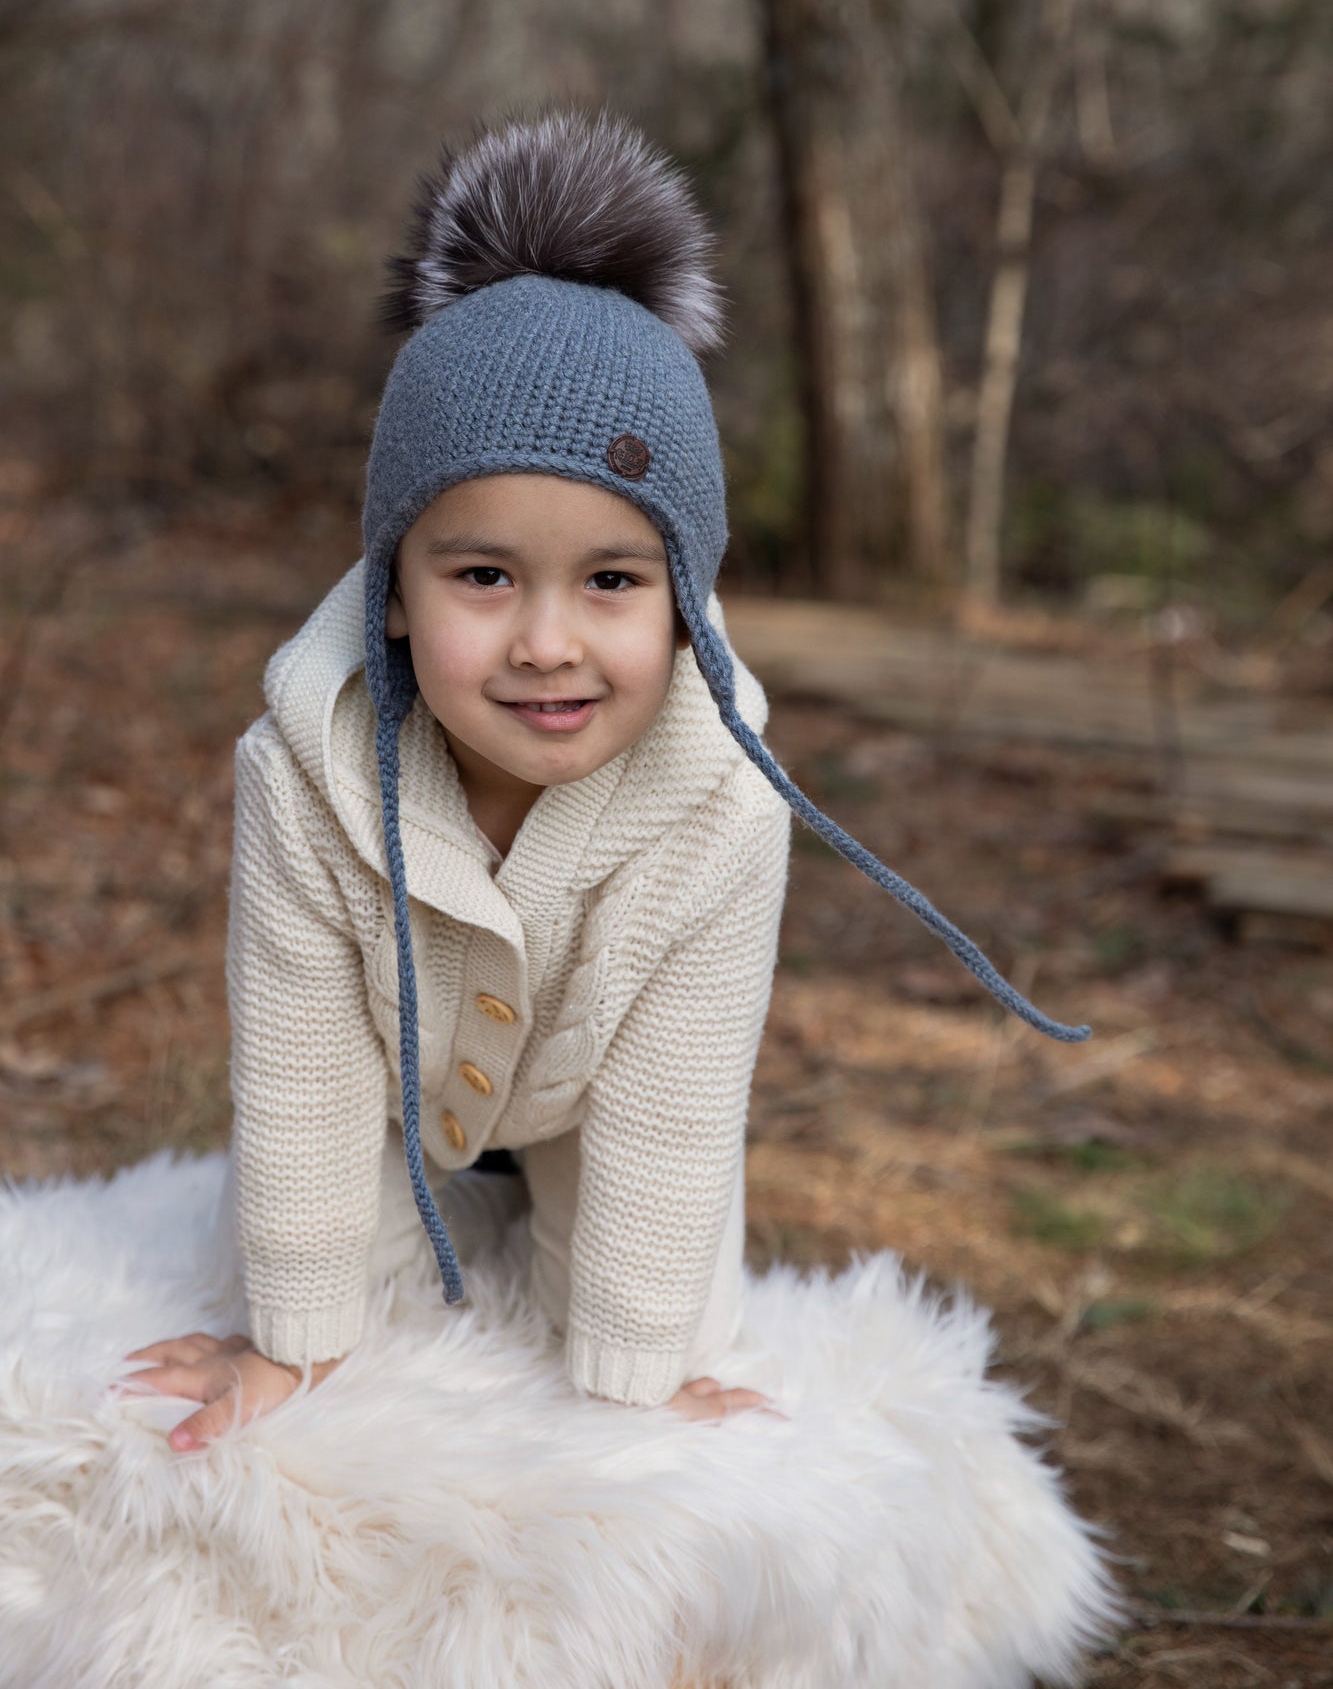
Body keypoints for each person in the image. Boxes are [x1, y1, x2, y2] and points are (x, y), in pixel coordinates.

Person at [124, 109, 1088, 1452]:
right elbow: (304, 1068)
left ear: (686, 601)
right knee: (341, 1335)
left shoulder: (720, 805)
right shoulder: (305, 773)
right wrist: (292, 1339)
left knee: (644, 1329)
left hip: (604, 1109)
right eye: (481, 576)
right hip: (387, 1097)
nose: (547, 643)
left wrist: (632, 1380)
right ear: (390, 591)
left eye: (614, 582)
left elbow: (675, 1105)